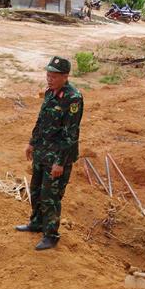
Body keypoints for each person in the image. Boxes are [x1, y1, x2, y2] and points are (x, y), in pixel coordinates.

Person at [16, 56, 83, 250]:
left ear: (65, 76)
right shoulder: (50, 93)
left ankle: (51, 235)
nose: (49, 79)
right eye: (48, 75)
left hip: (57, 157)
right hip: (42, 152)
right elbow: (41, 121)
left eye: (54, 76)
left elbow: (71, 134)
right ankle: (36, 223)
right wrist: (31, 143)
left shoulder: (73, 98)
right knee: (36, 190)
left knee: (50, 196)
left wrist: (60, 162)